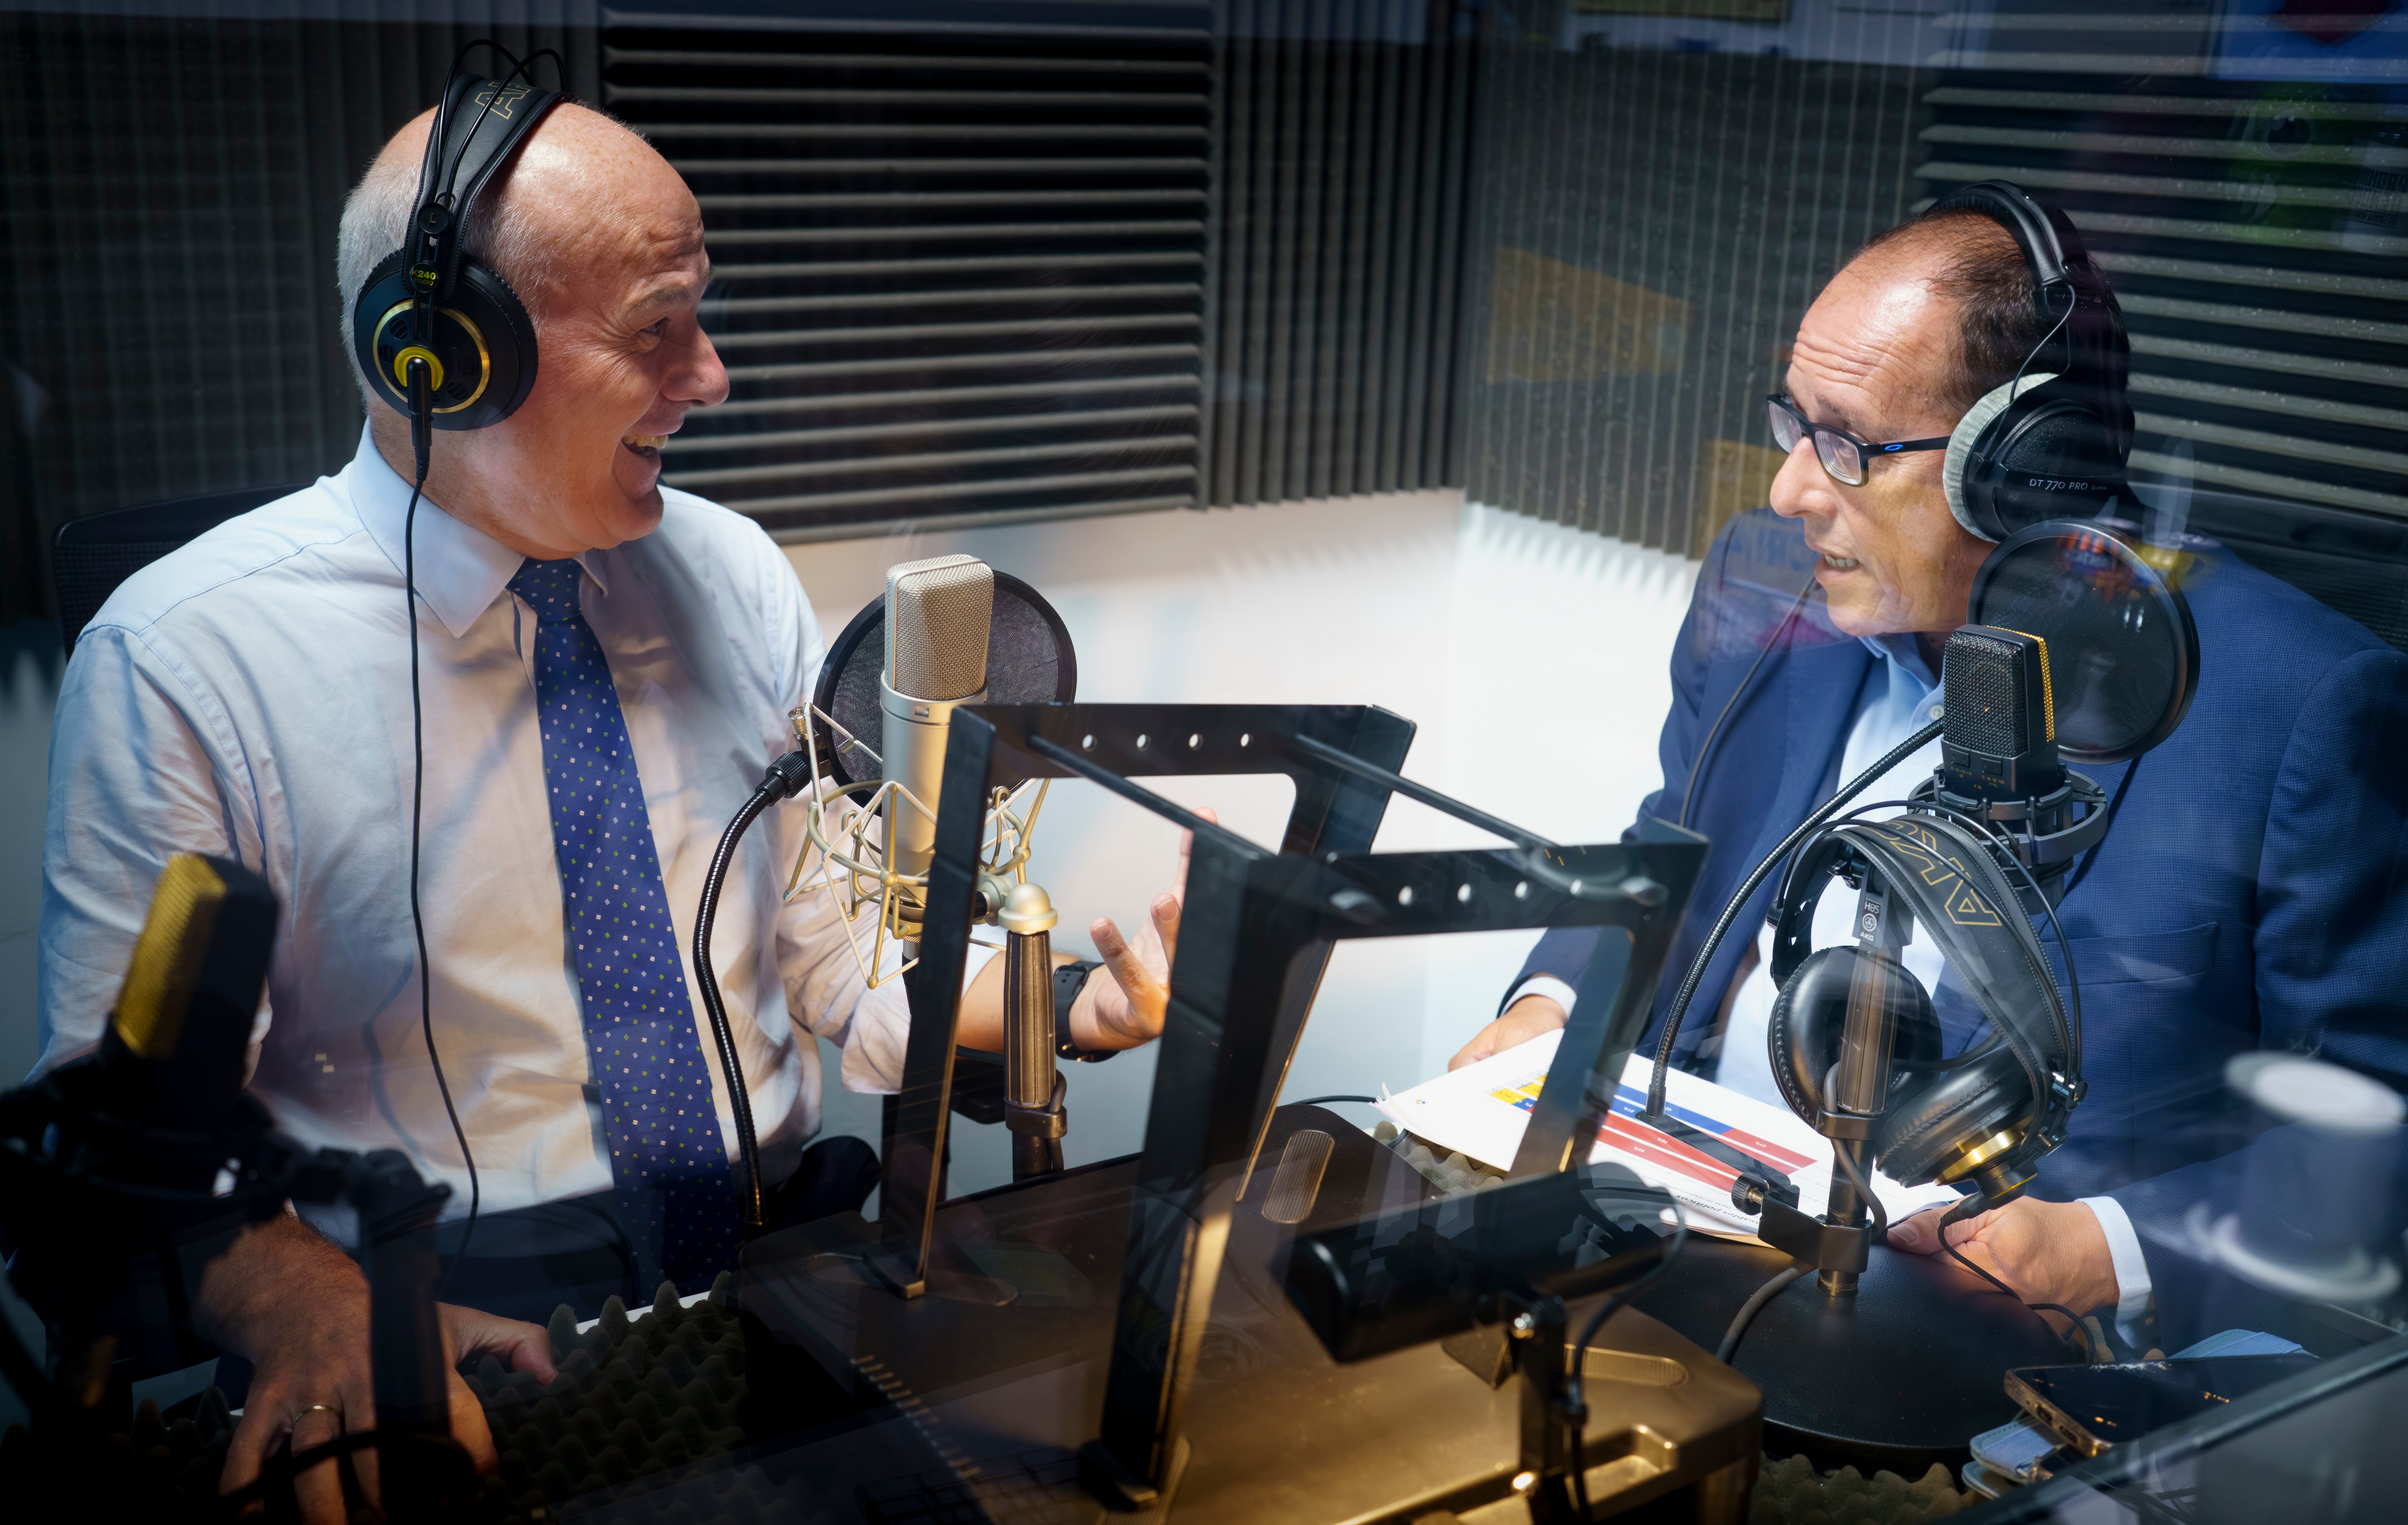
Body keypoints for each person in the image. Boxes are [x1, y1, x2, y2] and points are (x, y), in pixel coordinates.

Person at [35, 99, 1194, 1516]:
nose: (709, 377)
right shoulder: (184, 661)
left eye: (701, 319)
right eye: (656, 329)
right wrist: (299, 1296)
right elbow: (136, 1151)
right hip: (459, 1327)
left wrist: (1065, 1005)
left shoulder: (733, 572)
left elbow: (834, 979)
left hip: (774, 1271)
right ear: (448, 355)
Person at [1453, 199, 2408, 1353]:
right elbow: (1678, 839)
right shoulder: (1765, 580)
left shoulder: (2297, 702)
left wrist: (2108, 1248)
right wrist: (1555, 1007)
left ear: (2020, 469)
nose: (1789, 493)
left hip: (1992, 1352)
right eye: (1790, 425)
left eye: (1847, 443)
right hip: (1675, 1243)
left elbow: (2373, 1130)